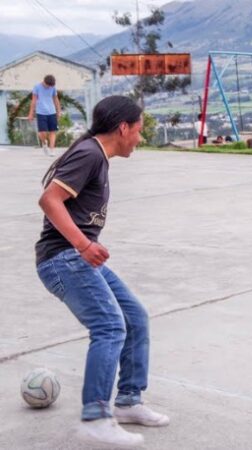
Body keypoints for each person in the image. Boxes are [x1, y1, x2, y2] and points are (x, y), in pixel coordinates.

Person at [35, 96, 169, 447]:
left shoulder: (97, 156)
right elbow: (50, 199)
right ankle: (96, 417)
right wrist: (83, 244)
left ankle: (128, 402)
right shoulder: (90, 153)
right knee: (110, 326)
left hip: (75, 257)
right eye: (138, 131)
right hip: (62, 258)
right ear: (123, 128)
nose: (140, 138)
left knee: (135, 317)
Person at [28, 74, 61, 157]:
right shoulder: (37, 87)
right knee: (42, 132)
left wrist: (58, 111)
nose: (49, 87)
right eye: (48, 85)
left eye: (50, 86)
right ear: (44, 82)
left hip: (52, 112)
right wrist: (31, 113)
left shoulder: (52, 88)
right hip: (41, 112)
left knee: (53, 131)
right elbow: (34, 101)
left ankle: (52, 150)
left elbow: (56, 100)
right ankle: (44, 142)